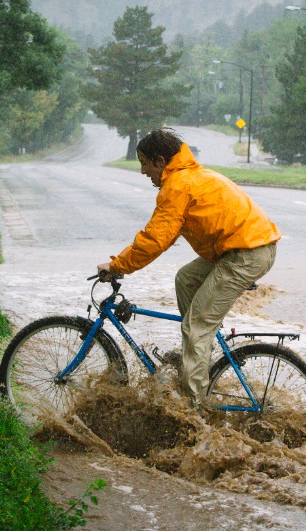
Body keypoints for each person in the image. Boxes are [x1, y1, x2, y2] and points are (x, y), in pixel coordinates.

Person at [97, 127, 281, 403]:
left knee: (196, 326)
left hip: (246, 253)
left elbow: (155, 240)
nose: (143, 172)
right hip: (243, 248)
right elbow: (164, 237)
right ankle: (197, 354)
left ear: (160, 161)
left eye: (145, 164)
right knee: (185, 278)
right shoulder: (188, 176)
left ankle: (193, 412)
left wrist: (117, 266)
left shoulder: (178, 185)